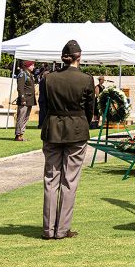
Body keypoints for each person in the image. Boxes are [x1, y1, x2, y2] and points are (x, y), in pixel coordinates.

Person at [39, 40, 95, 240]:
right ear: (79, 57)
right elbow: (90, 109)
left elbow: (43, 106)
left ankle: (48, 229)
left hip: (53, 128)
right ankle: (62, 229)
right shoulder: (86, 79)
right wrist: (84, 122)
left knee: (51, 180)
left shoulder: (48, 78)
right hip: (77, 130)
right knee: (69, 181)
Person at [15, 60, 38, 140]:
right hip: (24, 100)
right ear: (27, 66)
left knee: (26, 117)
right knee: (21, 117)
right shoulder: (22, 74)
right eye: (32, 65)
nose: (33, 67)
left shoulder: (30, 75)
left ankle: (21, 134)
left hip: (30, 99)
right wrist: (22, 99)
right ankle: (18, 134)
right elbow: (20, 88)